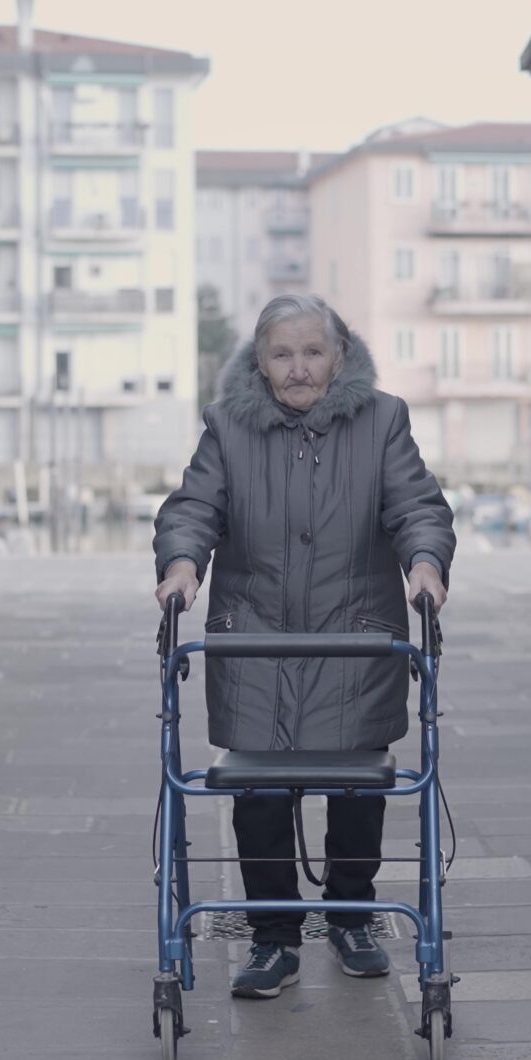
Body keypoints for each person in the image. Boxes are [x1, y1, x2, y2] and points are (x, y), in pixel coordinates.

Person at [153, 293, 455, 999]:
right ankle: (274, 938)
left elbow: (416, 504)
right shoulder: (227, 426)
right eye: (282, 354)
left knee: (358, 783)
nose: (298, 369)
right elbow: (196, 505)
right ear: (259, 362)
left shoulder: (383, 419)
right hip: (253, 639)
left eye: (311, 352)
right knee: (256, 789)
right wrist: (180, 566)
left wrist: (426, 564)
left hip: (356, 641)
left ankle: (351, 916)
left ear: (338, 356)